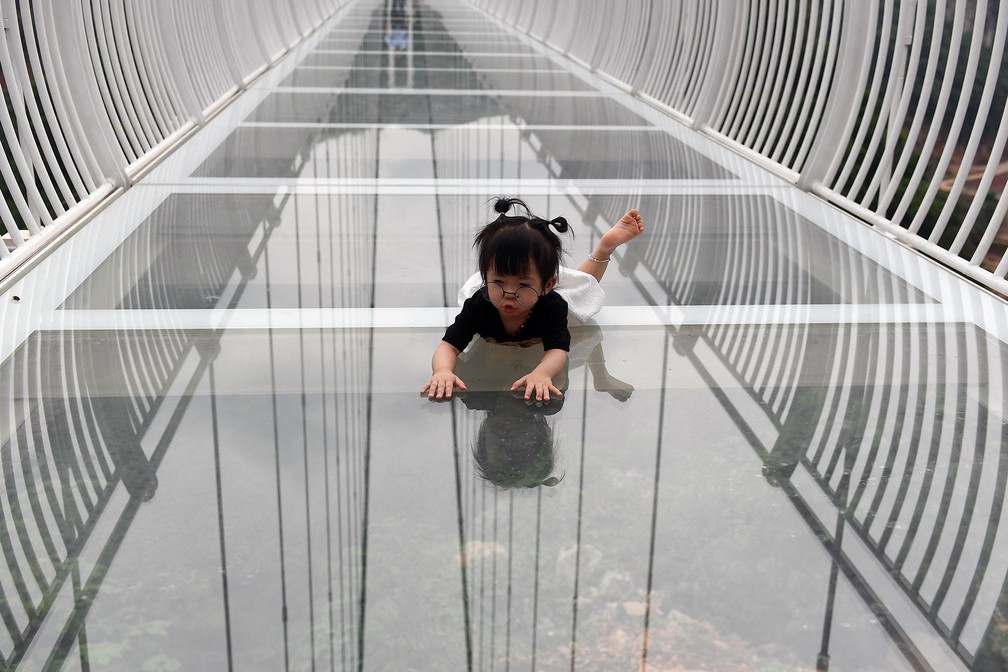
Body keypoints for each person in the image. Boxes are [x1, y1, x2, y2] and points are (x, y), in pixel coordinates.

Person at [421, 197, 644, 402]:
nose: (509, 293)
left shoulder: (552, 305)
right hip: (513, 299)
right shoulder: (480, 304)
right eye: (499, 281)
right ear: (485, 276)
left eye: (522, 285)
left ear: (547, 286)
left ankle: (604, 249)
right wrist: (442, 371)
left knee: (580, 293)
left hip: (540, 305)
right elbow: (448, 346)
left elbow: (557, 350)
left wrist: (542, 372)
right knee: (514, 284)